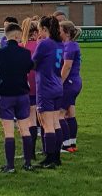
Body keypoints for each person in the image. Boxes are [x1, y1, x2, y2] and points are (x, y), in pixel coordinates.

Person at [0, 22, 35, 173]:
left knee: (8, 131)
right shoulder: (25, 53)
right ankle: (28, 163)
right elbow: (29, 67)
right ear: (17, 35)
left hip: (5, 94)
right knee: (25, 128)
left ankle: (10, 165)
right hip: (22, 93)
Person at [32, 15, 65, 168]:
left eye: (39, 30)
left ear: (44, 29)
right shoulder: (60, 44)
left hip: (45, 87)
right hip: (57, 85)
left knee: (47, 124)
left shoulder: (45, 43)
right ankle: (56, 157)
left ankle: (50, 158)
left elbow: (33, 63)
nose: (38, 33)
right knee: (56, 122)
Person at [59, 21, 82, 153]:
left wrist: (60, 82)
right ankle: (72, 143)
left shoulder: (69, 46)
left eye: (60, 30)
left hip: (69, 83)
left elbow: (67, 66)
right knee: (70, 113)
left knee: (59, 114)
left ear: (66, 32)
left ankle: (66, 145)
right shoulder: (72, 45)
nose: (58, 32)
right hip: (75, 82)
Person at [20, 18, 39, 158]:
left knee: (27, 120)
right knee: (41, 119)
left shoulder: (21, 46)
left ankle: (29, 152)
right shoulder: (41, 45)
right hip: (40, 85)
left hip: (25, 85)